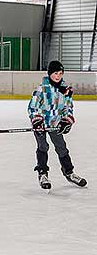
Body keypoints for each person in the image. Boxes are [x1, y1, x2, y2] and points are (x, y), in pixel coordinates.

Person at [28, 60, 86, 190]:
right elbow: (33, 107)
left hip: (55, 124)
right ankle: (43, 174)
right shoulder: (42, 89)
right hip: (41, 124)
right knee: (43, 146)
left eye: (60, 73)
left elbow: (68, 107)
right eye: (55, 73)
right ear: (49, 74)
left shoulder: (66, 90)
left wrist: (67, 120)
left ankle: (69, 172)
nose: (58, 76)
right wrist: (37, 120)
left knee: (61, 147)